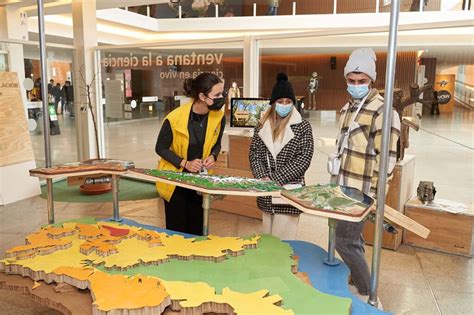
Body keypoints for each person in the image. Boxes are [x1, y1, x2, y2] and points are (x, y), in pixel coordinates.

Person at [328, 48, 400, 300]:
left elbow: (387, 159)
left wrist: (376, 197)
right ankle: (355, 277)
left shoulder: (384, 111)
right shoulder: (347, 108)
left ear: (372, 81)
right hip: (343, 187)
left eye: (362, 81)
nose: (356, 85)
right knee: (353, 240)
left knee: (344, 241)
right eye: (352, 80)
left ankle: (368, 291)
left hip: (362, 193)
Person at [155, 73, 226, 235]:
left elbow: (217, 144)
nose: (222, 98)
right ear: (202, 96)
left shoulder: (219, 117)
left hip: (200, 182)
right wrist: (185, 163)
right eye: (217, 95)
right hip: (175, 182)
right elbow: (160, 148)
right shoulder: (174, 118)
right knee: (177, 231)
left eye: (223, 93)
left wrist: (213, 156)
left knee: (197, 229)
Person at [249, 73, 314, 240]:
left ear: (293, 103)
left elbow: (304, 159)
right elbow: (254, 153)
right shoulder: (262, 125)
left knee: (284, 242)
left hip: (288, 191)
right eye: (280, 101)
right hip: (266, 192)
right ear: (273, 103)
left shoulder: (303, 126)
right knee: (268, 239)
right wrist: (262, 176)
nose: (284, 105)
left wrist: (274, 179)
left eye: (288, 102)